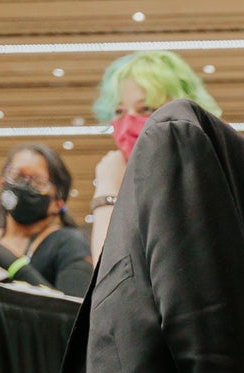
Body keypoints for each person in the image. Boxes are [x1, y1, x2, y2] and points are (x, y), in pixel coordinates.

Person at [86, 50, 221, 259]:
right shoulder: (143, 187)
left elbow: (113, 279)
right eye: (119, 111)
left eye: (147, 108)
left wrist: (106, 195)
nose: (128, 126)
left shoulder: (198, 184)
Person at [0, 144, 93, 295]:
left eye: (37, 183)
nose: (23, 186)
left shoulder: (69, 244)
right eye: (17, 176)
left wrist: (13, 265)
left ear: (58, 202)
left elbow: (74, 310)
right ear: (3, 181)